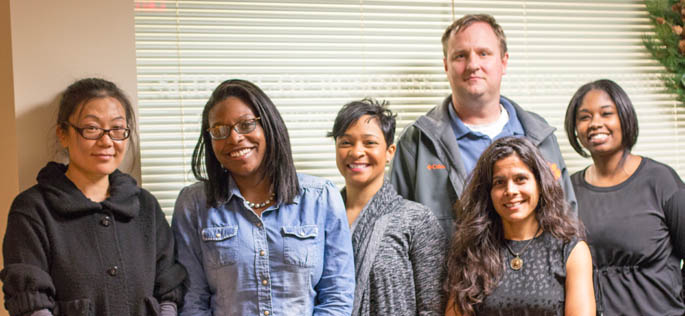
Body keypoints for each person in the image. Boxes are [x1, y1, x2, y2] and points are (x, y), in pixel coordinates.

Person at [1, 78, 186, 316]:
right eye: (92, 129)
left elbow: (169, 287)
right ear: (63, 134)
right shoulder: (33, 209)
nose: (107, 141)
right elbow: (30, 300)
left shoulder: (145, 206)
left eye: (117, 129)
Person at [172, 79, 355, 316]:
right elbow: (192, 301)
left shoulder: (320, 197)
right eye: (219, 130)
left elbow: (337, 297)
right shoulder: (194, 204)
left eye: (246, 124)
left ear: (269, 126)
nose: (235, 138)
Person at [390, 13, 576, 235]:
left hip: (534, 269)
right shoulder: (417, 142)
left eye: (483, 53)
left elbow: (567, 222)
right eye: (460, 56)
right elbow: (395, 231)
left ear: (503, 62)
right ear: (446, 66)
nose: (473, 65)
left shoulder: (539, 135)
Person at [564, 79, 685, 315]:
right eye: (585, 117)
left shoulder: (661, 181)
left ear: (625, 118)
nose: (595, 123)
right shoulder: (569, 191)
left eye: (606, 113)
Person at [444, 136, 594, 316]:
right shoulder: (472, 250)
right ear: (488, 192)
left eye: (520, 179)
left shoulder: (570, 250)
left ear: (540, 184)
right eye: (499, 182)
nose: (510, 191)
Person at [329, 99, 446, 316]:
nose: (356, 152)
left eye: (369, 143)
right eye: (346, 142)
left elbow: (434, 307)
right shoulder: (322, 218)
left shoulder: (416, 220)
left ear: (390, 151)